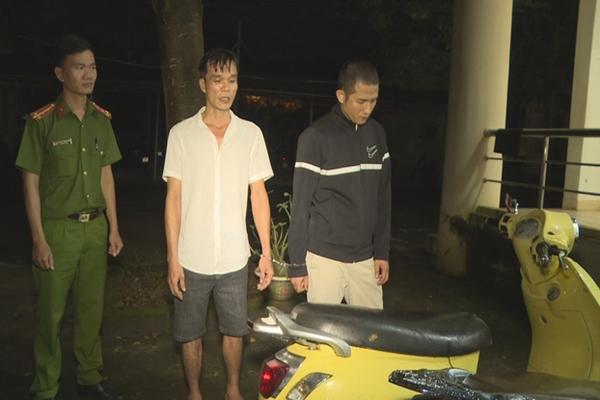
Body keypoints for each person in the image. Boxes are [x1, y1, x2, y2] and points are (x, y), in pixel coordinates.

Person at [15, 35, 124, 400]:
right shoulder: (42, 122)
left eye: (92, 67)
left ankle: (90, 378)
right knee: (50, 315)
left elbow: (106, 175)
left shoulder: (101, 120)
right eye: (79, 67)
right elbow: (30, 183)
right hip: (57, 231)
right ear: (61, 73)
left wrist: (114, 227)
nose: (88, 74)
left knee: (92, 311)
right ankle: (46, 387)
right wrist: (38, 239)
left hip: (95, 230)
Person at [163, 48, 274, 400]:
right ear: (202, 84)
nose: (226, 88)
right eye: (217, 80)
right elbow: (173, 199)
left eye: (232, 80)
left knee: (235, 331)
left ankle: (232, 390)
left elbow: (259, 195)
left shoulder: (250, 134)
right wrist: (173, 257)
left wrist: (267, 253)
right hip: (191, 256)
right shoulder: (181, 134)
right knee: (189, 334)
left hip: (233, 257)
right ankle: (194, 393)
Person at [287, 59, 391, 310]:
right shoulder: (314, 138)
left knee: (372, 330)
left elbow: (383, 198)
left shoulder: (377, 134)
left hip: (364, 259)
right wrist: (297, 264)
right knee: (322, 331)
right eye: (361, 101)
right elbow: (300, 205)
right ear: (341, 96)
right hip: (324, 259)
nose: (368, 109)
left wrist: (382, 252)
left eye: (373, 101)